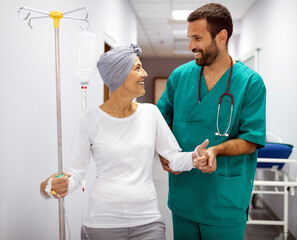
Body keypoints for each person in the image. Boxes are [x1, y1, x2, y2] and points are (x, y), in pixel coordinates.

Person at [40, 44, 209, 240]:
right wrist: (52, 186)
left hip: (148, 221)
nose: (145, 73)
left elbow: (172, 158)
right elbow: (75, 175)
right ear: (118, 75)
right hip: (102, 224)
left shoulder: (151, 113)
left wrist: (194, 157)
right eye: (137, 68)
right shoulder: (89, 120)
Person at [157, 3, 266, 240]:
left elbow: (251, 139)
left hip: (224, 200)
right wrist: (164, 152)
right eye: (189, 38)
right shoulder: (180, 77)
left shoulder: (250, 83)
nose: (191, 46)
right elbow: (159, 121)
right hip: (184, 195)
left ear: (221, 36)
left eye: (197, 37)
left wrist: (215, 150)